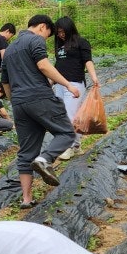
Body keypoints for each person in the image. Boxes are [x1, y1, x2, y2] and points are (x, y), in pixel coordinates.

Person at [0, 14, 81, 206]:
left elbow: (5, 81)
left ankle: (26, 199)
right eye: (47, 35)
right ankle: (45, 159)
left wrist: (15, 102)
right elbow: (43, 65)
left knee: (26, 152)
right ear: (42, 27)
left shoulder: (10, 48)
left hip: (19, 103)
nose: (45, 39)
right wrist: (68, 85)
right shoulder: (35, 40)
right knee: (67, 133)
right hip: (39, 97)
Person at [53, 16, 99, 156]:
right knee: (62, 115)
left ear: (69, 29)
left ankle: (69, 147)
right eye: (58, 32)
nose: (61, 35)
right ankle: (76, 146)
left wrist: (94, 77)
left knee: (70, 115)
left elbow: (88, 61)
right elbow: (58, 65)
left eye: (63, 31)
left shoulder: (81, 42)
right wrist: (50, 82)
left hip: (74, 84)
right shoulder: (60, 45)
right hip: (60, 85)